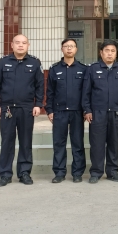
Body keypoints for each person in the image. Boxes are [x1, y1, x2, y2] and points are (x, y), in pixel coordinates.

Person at [0, 34, 44, 187]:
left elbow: (40, 85)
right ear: (12, 45)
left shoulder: (34, 63)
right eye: (17, 43)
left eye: (24, 43)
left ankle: (24, 173)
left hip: (27, 108)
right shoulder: (3, 62)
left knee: (26, 141)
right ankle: (5, 174)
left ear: (28, 45)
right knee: (7, 141)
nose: (21, 45)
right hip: (7, 108)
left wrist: (38, 104)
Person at [82, 40, 118, 183]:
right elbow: (86, 92)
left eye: (113, 51)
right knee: (97, 144)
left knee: (114, 143)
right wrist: (87, 110)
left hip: (116, 112)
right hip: (97, 113)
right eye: (107, 50)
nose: (110, 53)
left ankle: (112, 172)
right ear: (101, 53)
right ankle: (96, 172)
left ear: (116, 53)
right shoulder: (92, 69)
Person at [46, 38, 88, 183]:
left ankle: (77, 173)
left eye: (72, 46)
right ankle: (59, 173)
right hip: (59, 111)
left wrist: (86, 110)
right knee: (59, 144)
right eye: (66, 46)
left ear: (76, 49)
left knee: (78, 143)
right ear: (62, 49)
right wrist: (50, 110)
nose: (69, 48)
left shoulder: (83, 69)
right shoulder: (54, 69)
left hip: (77, 112)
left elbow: (86, 92)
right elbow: (50, 92)